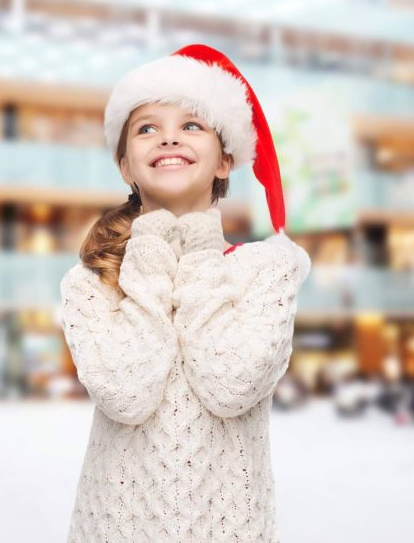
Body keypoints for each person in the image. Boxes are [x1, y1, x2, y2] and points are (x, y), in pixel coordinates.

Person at [59, 44, 311, 542]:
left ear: (226, 161)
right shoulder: (91, 282)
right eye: (147, 127)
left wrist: (198, 250)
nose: (168, 136)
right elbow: (127, 393)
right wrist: (151, 250)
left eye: (192, 124)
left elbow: (230, 384)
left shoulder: (269, 271)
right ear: (126, 166)